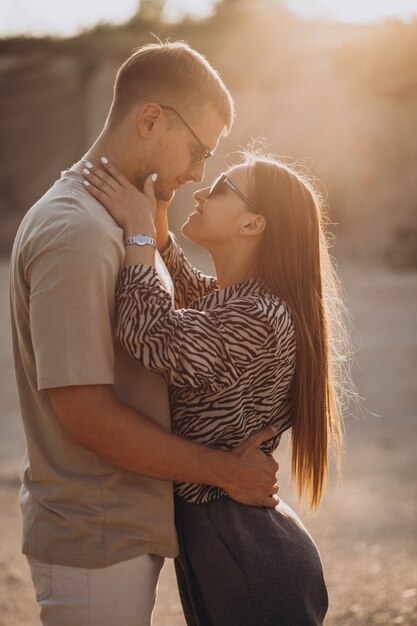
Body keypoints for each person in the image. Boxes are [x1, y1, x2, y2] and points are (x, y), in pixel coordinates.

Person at [8, 42, 279, 626]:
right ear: (151, 118)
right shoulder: (76, 230)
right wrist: (227, 471)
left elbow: (182, 315)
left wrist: (153, 228)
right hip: (95, 538)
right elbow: (86, 415)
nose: (200, 173)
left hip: (122, 528)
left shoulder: (120, 220)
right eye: (199, 150)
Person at [81, 151, 348, 626]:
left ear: (253, 225)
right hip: (233, 541)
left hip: (246, 553)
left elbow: (151, 335)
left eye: (222, 188)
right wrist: (159, 217)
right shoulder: (245, 303)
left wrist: (139, 231)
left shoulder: (259, 317)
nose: (202, 192)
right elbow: (188, 292)